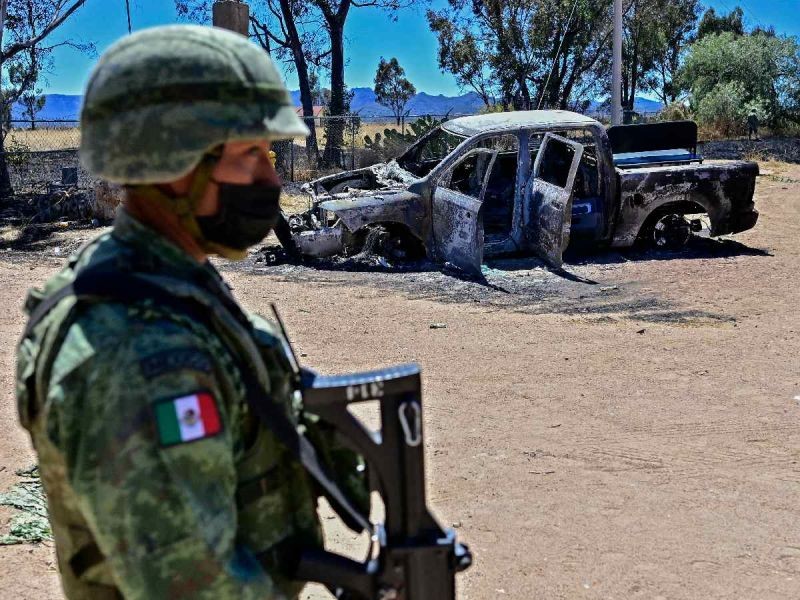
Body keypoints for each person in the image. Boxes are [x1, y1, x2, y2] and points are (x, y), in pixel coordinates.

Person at [16, 25, 367, 599]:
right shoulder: (134, 354)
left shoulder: (156, 283)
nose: (272, 180)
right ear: (175, 166)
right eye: (250, 155)